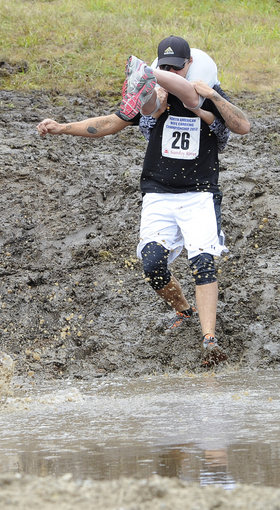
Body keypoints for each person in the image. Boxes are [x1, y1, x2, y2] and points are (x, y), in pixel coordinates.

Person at [36, 36, 251, 366]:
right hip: (158, 193)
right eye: (162, 67)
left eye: (174, 68)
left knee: (203, 261)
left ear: (188, 65)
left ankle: (210, 338)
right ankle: (183, 308)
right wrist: (63, 127)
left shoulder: (205, 93)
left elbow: (241, 125)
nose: (169, 71)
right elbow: (111, 122)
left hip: (199, 194)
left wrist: (211, 97)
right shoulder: (152, 100)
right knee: (152, 266)